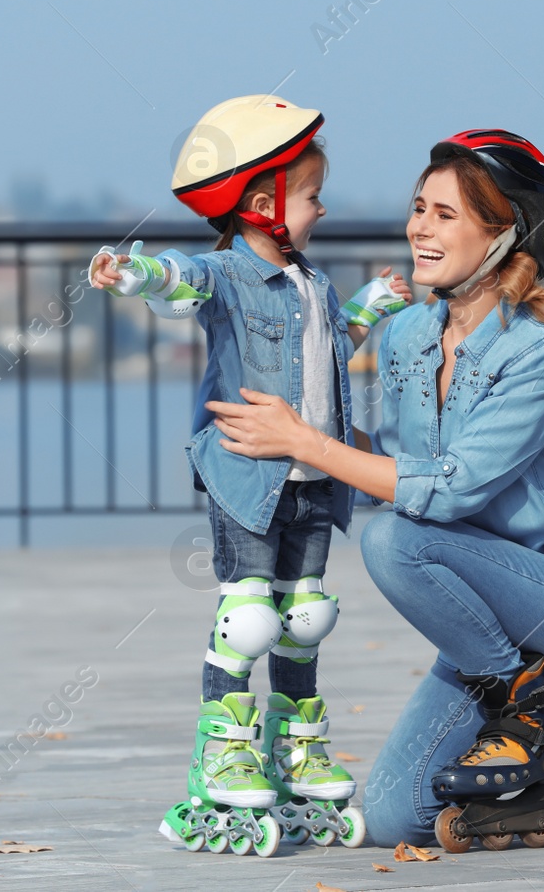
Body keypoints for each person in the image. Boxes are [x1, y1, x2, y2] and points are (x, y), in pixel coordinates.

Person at [206, 129, 544, 851]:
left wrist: (309, 442)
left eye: (445, 214)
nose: (418, 226)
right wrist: (284, 435)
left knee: (392, 535)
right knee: (391, 817)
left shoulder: (542, 352)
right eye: (419, 207)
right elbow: (394, 465)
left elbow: (444, 494)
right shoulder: (407, 335)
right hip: (493, 631)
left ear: (505, 233)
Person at [88, 95, 411, 854]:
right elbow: (178, 281)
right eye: (311, 196)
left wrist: (373, 303)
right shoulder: (228, 274)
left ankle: (296, 746)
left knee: (304, 617)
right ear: (263, 205)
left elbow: (335, 343)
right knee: (250, 617)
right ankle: (223, 750)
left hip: (313, 478)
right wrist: (131, 273)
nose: (322, 208)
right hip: (249, 476)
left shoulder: (314, 283)